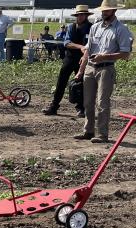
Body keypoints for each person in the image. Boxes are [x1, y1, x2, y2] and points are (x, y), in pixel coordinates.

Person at [73, 0, 132, 143]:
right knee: (87, 102)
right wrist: (81, 70)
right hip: (90, 68)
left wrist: (104, 56)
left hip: (106, 68)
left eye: (107, 10)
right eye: (103, 10)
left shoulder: (121, 29)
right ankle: (88, 131)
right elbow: (88, 49)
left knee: (102, 103)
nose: (104, 12)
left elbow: (125, 53)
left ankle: (102, 134)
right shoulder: (95, 27)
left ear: (114, 11)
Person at [43, 5, 93, 117]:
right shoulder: (71, 27)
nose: (80, 17)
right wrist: (80, 46)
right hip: (70, 58)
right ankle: (54, 106)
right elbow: (66, 43)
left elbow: (93, 43)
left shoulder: (92, 28)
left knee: (82, 84)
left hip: (83, 59)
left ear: (86, 16)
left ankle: (81, 108)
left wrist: (85, 51)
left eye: (82, 15)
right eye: (78, 15)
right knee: (61, 82)